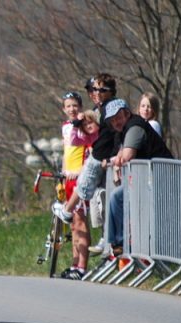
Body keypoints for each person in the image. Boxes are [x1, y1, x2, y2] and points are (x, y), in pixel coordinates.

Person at [102, 99, 173, 253]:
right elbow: (122, 154)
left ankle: (121, 244)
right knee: (117, 197)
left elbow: (126, 156)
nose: (116, 122)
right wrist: (118, 158)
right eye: (112, 120)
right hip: (149, 181)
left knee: (117, 197)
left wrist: (118, 160)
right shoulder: (125, 131)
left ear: (127, 113)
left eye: (118, 117)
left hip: (163, 181)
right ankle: (119, 246)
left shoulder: (135, 127)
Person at [53, 73, 119, 226]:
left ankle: (67, 211)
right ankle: (106, 238)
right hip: (92, 163)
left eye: (98, 90)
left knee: (89, 188)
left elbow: (113, 135)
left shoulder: (110, 108)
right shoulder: (71, 125)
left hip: (102, 159)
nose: (94, 93)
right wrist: (76, 126)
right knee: (99, 205)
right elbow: (75, 142)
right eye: (92, 90)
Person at [59, 93, 99, 279]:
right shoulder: (66, 127)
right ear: (64, 109)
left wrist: (83, 172)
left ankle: (82, 266)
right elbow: (66, 152)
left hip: (80, 178)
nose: (72, 109)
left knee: (81, 221)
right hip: (68, 178)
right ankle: (74, 264)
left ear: (80, 107)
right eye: (68, 106)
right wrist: (63, 173)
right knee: (73, 224)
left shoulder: (84, 126)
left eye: (75, 105)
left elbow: (90, 151)